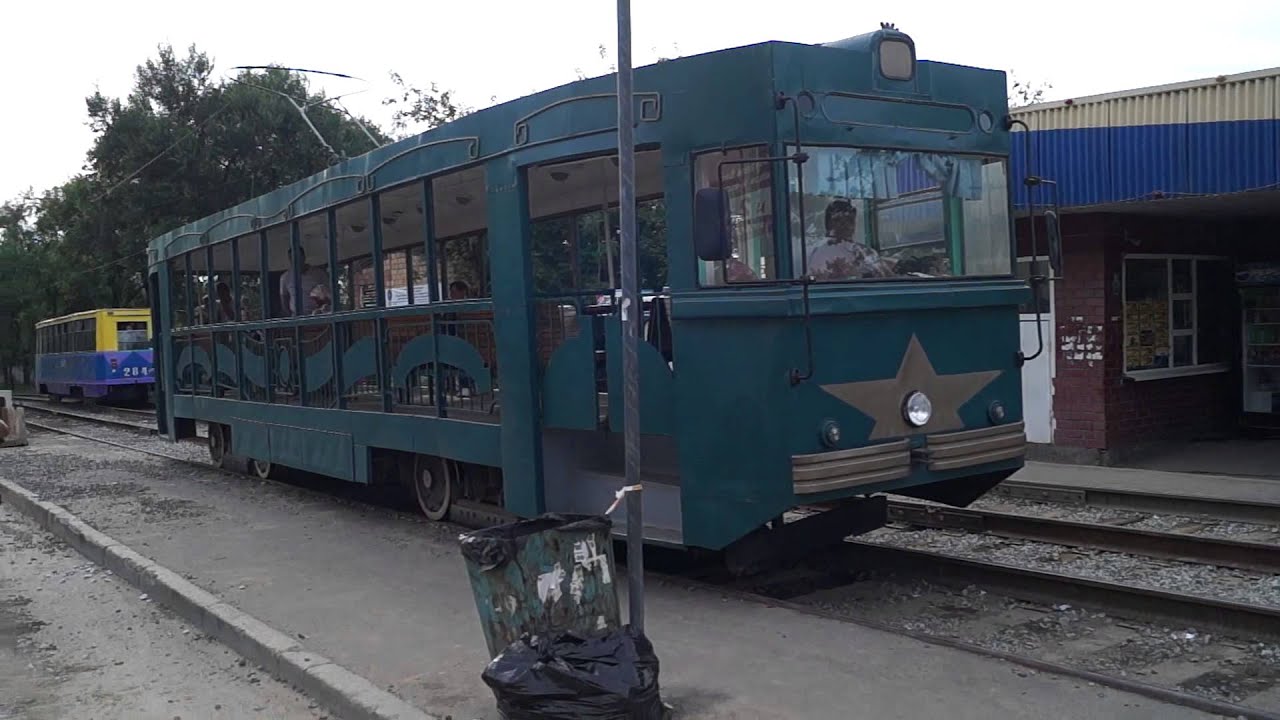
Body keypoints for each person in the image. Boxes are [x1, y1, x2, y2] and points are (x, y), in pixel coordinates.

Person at [805, 199, 895, 280]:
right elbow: (818, 287)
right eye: (839, 220)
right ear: (829, 224)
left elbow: (889, 279)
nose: (846, 225)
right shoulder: (822, 253)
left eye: (850, 220)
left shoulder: (864, 251)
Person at [279, 247, 330, 316]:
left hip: (317, 316)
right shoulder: (285, 277)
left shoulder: (319, 273)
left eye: (297, 257)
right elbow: (284, 300)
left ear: (303, 257)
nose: (295, 260)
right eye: (291, 258)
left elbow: (328, 294)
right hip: (297, 318)